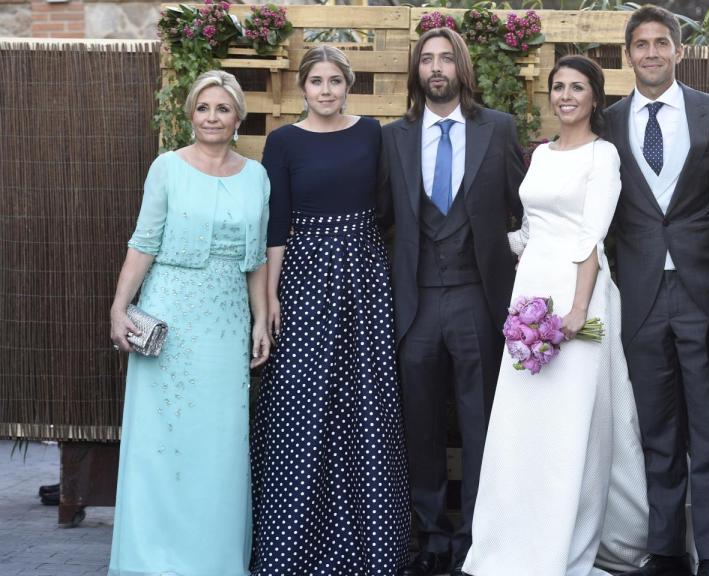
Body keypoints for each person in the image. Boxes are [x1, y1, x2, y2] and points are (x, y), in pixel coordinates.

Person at [463, 55, 648, 576]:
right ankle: (514, 536)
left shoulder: (603, 154)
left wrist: (577, 310)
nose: (567, 95)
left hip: (576, 295)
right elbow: (528, 229)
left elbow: (591, 236)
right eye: (559, 87)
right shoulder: (540, 154)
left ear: (594, 97)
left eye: (578, 87)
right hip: (530, 293)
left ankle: (566, 540)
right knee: (524, 421)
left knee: (572, 422)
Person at [250, 46, 409, 575]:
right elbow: (276, 225)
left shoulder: (373, 134)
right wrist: (269, 298)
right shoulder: (282, 141)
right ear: (302, 86)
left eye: (335, 81)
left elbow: (388, 206)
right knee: (301, 404)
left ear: (348, 85)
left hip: (364, 276)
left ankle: (372, 548)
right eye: (316, 80)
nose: (325, 89)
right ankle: (294, 546)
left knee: (364, 404)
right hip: (304, 280)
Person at [107, 69, 270, 576]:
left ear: (238, 116)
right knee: (163, 439)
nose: (213, 117)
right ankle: (150, 558)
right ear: (190, 116)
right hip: (170, 317)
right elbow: (144, 241)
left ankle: (212, 559)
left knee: (219, 443)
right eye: (204, 108)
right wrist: (119, 306)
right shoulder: (167, 168)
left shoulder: (256, 175)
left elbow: (258, 257)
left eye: (222, 108)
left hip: (225, 321)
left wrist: (261, 319)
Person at [379, 27, 526, 576]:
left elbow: (528, 208)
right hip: (415, 304)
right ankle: (433, 537)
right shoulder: (393, 137)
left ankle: (476, 536)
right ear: (416, 72)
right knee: (420, 425)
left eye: (445, 58)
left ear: (462, 67)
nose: (435, 68)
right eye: (426, 60)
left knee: (481, 421)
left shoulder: (499, 129)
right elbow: (378, 215)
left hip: (478, 300)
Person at [603, 6, 709, 576]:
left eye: (663, 43)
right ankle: (666, 549)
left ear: (679, 51)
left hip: (702, 289)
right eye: (642, 44)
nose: (652, 53)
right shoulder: (606, 122)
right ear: (628, 54)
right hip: (637, 294)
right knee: (656, 428)